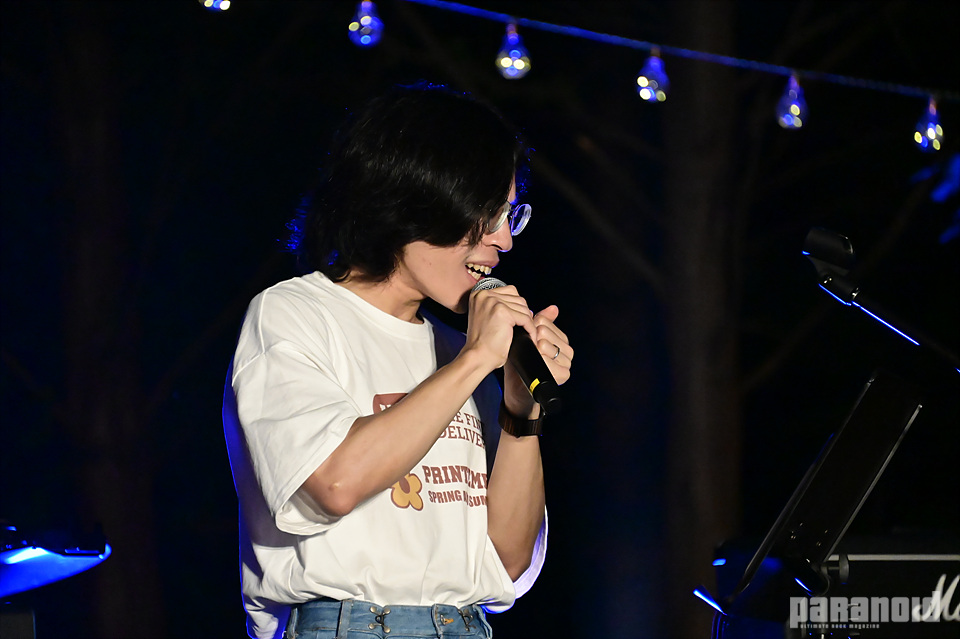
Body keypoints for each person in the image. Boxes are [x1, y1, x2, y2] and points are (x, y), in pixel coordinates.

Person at [222, 83, 573, 639]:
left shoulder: (461, 351)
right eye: (486, 213)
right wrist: (475, 361)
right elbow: (334, 483)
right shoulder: (294, 314)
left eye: (510, 214)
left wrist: (520, 414)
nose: (504, 239)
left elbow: (506, 561)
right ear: (412, 201)